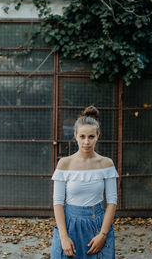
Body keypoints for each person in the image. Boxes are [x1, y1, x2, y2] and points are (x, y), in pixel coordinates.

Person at [50, 105, 118, 259]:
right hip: (69, 225)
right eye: (82, 136)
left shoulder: (106, 164)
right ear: (75, 135)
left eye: (91, 137)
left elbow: (112, 202)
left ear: (98, 136)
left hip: (98, 225)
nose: (86, 142)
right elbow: (58, 202)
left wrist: (103, 234)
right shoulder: (64, 164)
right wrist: (64, 237)